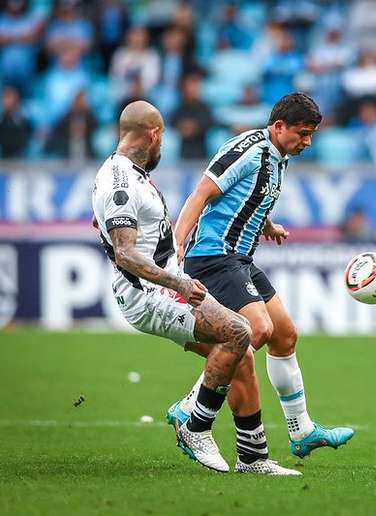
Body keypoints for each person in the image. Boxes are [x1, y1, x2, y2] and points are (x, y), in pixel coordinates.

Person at [173, 92, 354, 459]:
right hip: (213, 257)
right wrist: (175, 247)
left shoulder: (279, 156)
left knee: (285, 335)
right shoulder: (250, 149)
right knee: (256, 330)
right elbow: (202, 193)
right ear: (278, 126)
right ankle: (190, 407)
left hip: (240, 258)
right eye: (302, 134)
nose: (307, 142)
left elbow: (251, 195)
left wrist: (267, 225)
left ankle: (301, 431)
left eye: (312, 135)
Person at [91, 100, 254, 473]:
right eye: (163, 138)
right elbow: (126, 255)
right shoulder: (121, 182)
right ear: (154, 134)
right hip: (148, 294)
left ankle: (253, 458)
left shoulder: (128, 173)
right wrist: (179, 280)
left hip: (164, 285)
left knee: (240, 353)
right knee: (237, 332)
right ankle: (194, 424)